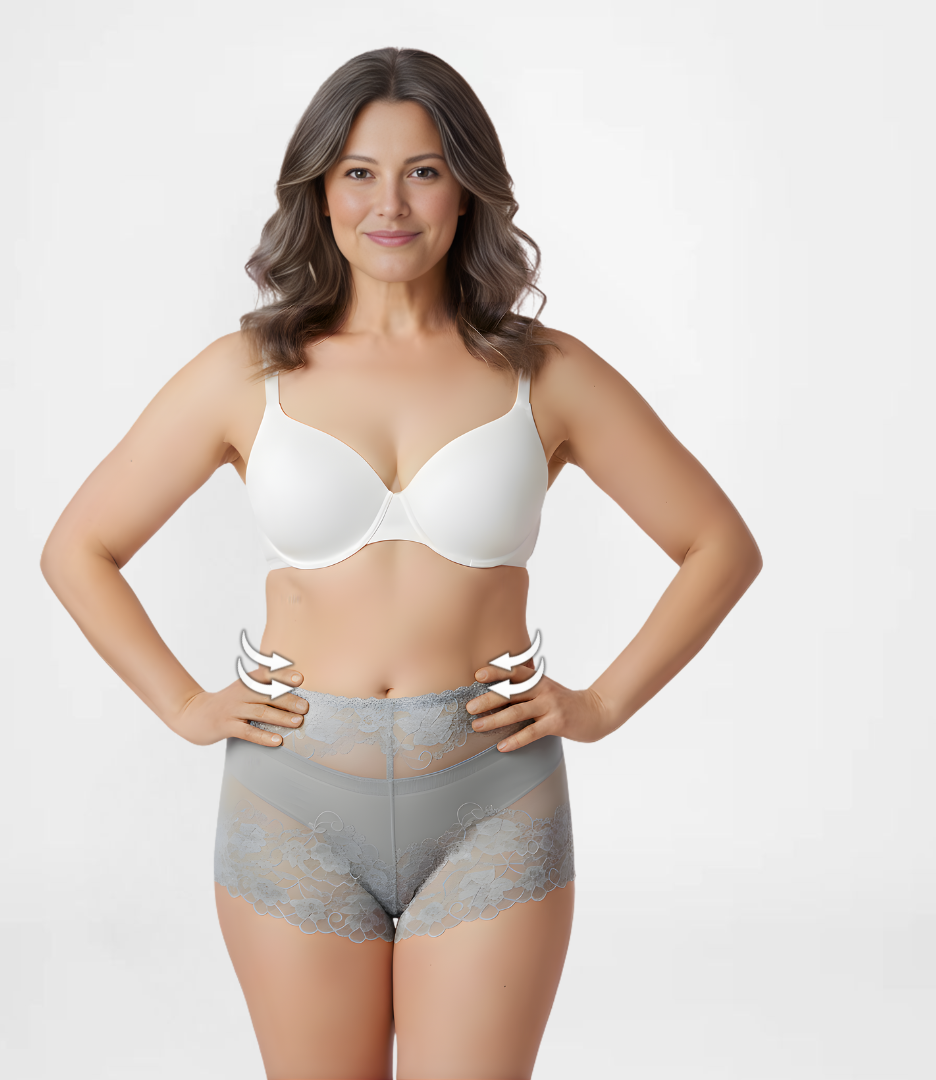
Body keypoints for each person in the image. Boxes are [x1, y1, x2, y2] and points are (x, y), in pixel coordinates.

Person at [41, 46, 762, 1080]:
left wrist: (603, 704)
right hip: (292, 802)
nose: (390, 203)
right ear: (320, 191)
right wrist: (184, 704)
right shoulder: (249, 372)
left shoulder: (544, 372)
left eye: (423, 170)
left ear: (466, 190)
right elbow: (80, 548)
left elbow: (718, 545)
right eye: (359, 173)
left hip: (493, 801)